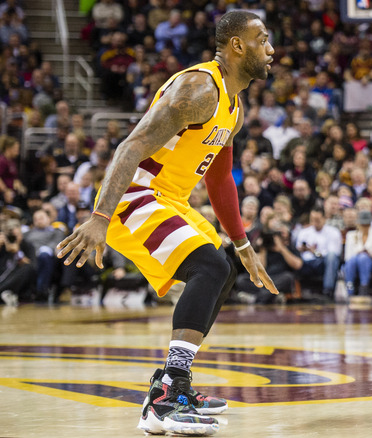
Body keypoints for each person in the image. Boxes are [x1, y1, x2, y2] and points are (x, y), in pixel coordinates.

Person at [55, 11, 279, 436]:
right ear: (237, 46)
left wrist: (243, 244)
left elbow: (218, 176)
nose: (271, 50)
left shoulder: (234, 104)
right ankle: (168, 394)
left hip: (168, 199)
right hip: (132, 195)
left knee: (224, 269)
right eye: (262, 40)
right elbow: (131, 145)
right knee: (208, 268)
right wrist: (99, 217)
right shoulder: (198, 88)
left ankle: (169, 387)